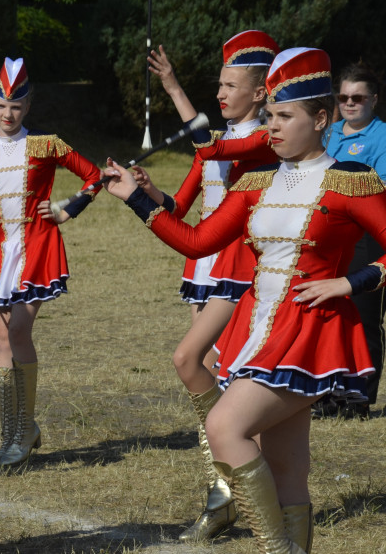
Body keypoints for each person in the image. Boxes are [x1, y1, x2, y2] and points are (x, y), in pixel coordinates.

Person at [105, 47, 381, 554]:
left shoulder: (349, 181)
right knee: (287, 469)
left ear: (320, 119)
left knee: (224, 424)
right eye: (270, 116)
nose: (271, 128)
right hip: (256, 329)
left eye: (284, 116)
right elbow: (196, 242)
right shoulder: (255, 183)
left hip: (309, 334)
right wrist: (135, 197)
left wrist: (351, 283)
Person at [139, 31, 280, 540]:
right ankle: (228, 485)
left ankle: (229, 491)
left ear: (261, 93)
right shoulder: (216, 139)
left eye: (231, 85)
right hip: (203, 268)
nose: (221, 94)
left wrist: (175, 89)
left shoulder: (266, 139)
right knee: (207, 370)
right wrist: (147, 192)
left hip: (243, 273)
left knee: (200, 365)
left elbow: (219, 146)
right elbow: (179, 207)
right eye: (217, 85)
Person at [0, 57, 100, 467]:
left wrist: (69, 209)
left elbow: (93, 177)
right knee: (3, 341)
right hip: (1, 252)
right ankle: (12, 434)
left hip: (37, 247)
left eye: (16, 107)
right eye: (1, 106)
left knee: (18, 330)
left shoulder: (46, 145)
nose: (8, 114)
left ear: (27, 107)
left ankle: (26, 425)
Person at [320, 62, 386, 418]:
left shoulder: (383, 137)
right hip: (327, 234)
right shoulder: (327, 133)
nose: (349, 103)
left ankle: (360, 397)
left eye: (357, 98)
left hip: (367, 236)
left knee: (364, 315)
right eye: (343, 97)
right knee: (329, 314)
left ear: (373, 100)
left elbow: (379, 189)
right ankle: (327, 390)